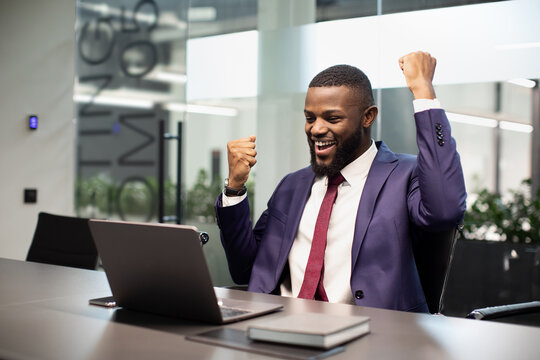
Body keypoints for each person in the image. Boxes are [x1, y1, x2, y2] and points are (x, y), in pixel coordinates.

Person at [215, 51, 467, 312]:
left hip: (369, 335)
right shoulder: (292, 185)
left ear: (368, 117)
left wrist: (423, 92)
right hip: (277, 325)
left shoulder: (404, 175)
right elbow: (245, 269)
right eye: (310, 118)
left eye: (332, 118)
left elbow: (445, 210)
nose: (316, 129)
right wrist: (234, 187)